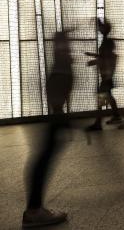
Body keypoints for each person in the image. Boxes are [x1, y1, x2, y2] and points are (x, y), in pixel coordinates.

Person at [22, 32, 72, 228]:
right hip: (56, 115)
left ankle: (34, 209)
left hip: (56, 115)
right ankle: (34, 211)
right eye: (65, 45)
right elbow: (55, 87)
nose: (69, 48)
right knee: (44, 158)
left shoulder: (61, 63)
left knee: (44, 156)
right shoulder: (61, 65)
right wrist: (59, 113)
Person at [85, 18, 124, 131]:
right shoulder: (107, 41)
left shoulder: (107, 41)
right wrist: (94, 55)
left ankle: (99, 123)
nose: (98, 29)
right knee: (109, 98)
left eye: (100, 27)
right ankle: (118, 117)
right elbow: (105, 56)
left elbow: (106, 58)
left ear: (104, 29)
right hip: (107, 75)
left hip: (106, 76)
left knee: (102, 98)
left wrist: (94, 61)